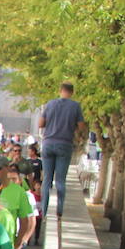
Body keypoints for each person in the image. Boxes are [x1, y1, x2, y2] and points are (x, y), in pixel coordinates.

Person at [36, 82, 86, 218]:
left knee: (46, 179)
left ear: (60, 91)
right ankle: (59, 209)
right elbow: (81, 126)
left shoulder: (50, 104)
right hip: (65, 144)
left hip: (48, 143)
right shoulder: (75, 106)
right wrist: (74, 128)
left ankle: (45, 210)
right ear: (72, 92)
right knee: (60, 180)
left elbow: (41, 124)